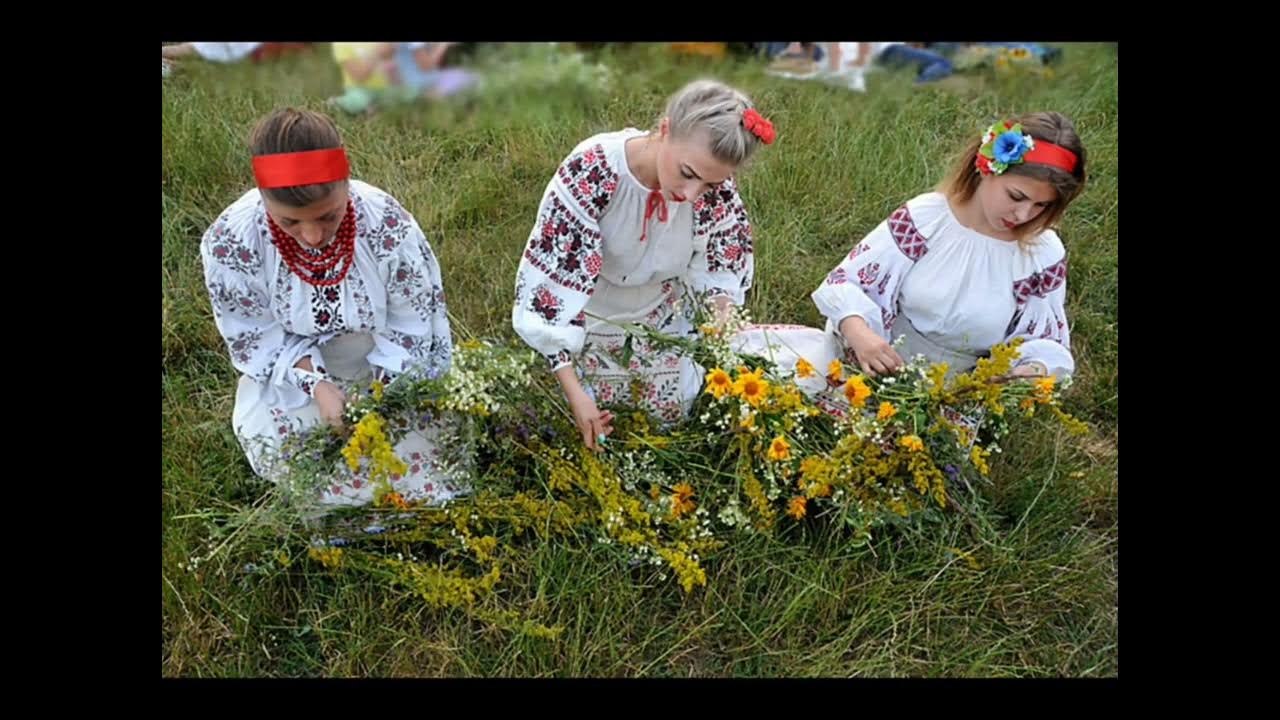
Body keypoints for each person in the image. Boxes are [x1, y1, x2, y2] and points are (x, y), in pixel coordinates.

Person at [199, 108, 461, 506]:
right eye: (289, 222)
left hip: (384, 362)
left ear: (346, 182)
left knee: (421, 459)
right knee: (299, 454)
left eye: (328, 216)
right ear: (264, 198)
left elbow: (413, 322)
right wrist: (319, 387)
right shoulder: (232, 241)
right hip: (296, 373)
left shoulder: (386, 225)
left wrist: (378, 395)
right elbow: (256, 336)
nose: (312, 236)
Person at [511, 79, 775, 451]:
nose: (690, 195)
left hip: (661, 312)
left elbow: (720, 266)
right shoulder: (594, 171)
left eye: (709, 185)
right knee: (588, 419)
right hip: (591, 310)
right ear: (665, 130)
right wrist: (574, 392)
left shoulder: (714, 189)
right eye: (687, 173)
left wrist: (720, 314)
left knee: (668, 419)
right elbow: (551, 286)